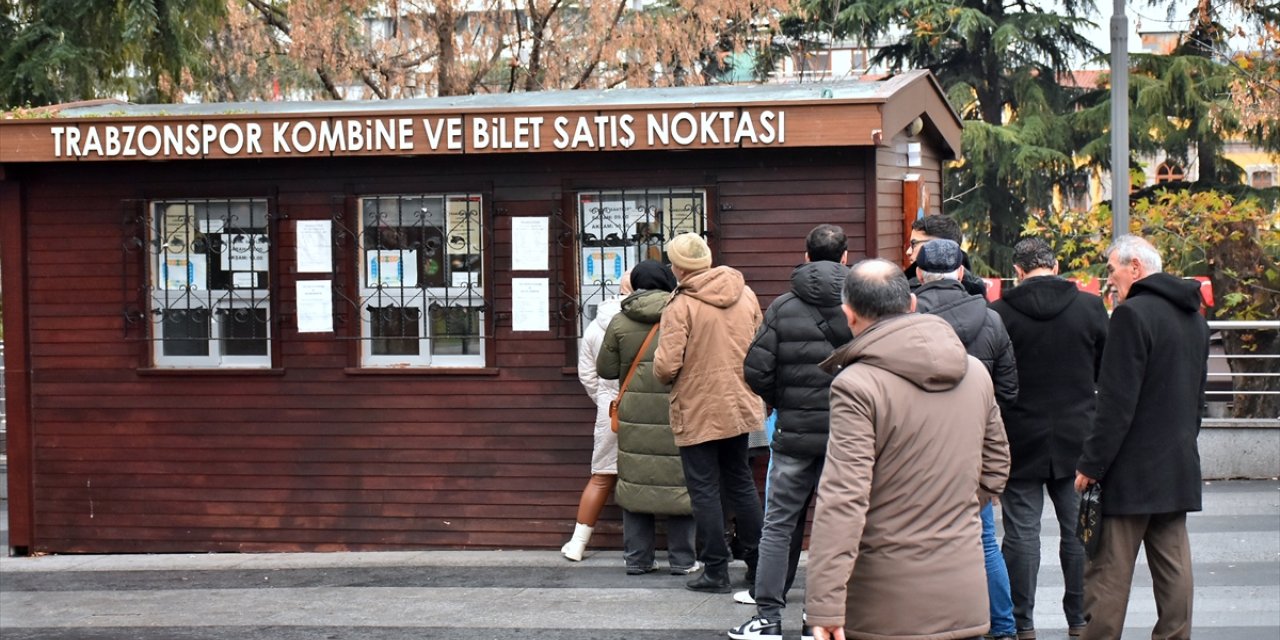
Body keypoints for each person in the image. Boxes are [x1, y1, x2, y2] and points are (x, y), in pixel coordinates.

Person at [804, 259, 1010, 640]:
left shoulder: (857, 385)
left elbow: (844, 499)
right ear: (912, 304)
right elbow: (997, 466)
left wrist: (825, 605)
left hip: (884, 602)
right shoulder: (975, 372)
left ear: (849, 316)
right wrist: (952, 506)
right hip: (962, 589)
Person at [1075, 235, 1209, 640]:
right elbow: (1197, 396)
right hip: (1177, 464)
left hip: (1130, 470)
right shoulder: (1194, 316)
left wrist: (1091, 465)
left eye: (1113, 269)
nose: (1109, 279)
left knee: (1108, 575)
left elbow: (1115, 403)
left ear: (1135, 267)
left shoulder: (1132, 316)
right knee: (1174, 568)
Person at [731, 224, 852, 640]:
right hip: (847, 437)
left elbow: (755, 369)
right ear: (846, 258)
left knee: (780, 523)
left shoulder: (782, 306)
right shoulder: (861, 306)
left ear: (805, 256)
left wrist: (783, 399)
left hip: (794, 434)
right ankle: (818, 618)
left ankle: (767, 616)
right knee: (837, 526)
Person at [989, 238, 1108, 639]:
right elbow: (1104, 371)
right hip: (1079, 435)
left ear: (1018, 270)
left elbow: (994, 377)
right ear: (1056, 265)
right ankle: (1080, 620)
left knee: (1021, 533)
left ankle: (1021, 623)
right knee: (1079, 531)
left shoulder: (1000, 312)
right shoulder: (1090, 308)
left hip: (1019, 436)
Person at [913, 238, 1018, 640]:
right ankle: (1004, 627)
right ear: (960, 273)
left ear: (920, 274)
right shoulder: (990, 318)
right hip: (972, 448)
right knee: (984, 540)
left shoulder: (908, 316)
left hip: (917, 447)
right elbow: (1008, 389)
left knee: (917, 541)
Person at [653, 232, 766, 594]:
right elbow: (759, 342)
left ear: (679, 268)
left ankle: (715, 569)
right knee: (741, 482)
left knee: (703, 488)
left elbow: (666, 366)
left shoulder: (680, 304)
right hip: (740, 400)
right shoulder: (744, 293)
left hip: (698, 406)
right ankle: (757, 561)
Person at [596, 260, 699, 575]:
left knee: (634, 481)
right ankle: (682, 560)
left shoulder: (619, 322)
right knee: (681, 480)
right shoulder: (683, 316)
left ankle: (638, 558)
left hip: (635, 415)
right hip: (678, 409)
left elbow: (606, 370)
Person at [560, 272, 631, 561]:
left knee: (602, 475)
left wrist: (604, 399)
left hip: (611, 406)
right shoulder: (660, 317)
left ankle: (578, 542)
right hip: (653, 407)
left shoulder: (596, 324)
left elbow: (587, 373)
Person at [904, 214, 987, 296]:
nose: (908, 251)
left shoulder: (908, 293)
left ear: (941, 245)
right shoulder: (977, 296)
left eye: (914, 244)